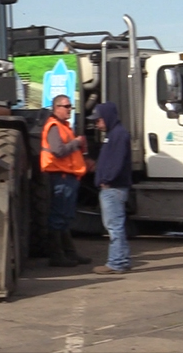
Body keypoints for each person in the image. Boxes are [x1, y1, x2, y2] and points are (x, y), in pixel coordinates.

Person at [40, 94, 91, 267]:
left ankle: (69, 253)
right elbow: (58, 151)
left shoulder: (64, 126)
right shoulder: (54, 126)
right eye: (66, 106)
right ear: (56, 108)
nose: (70, 109)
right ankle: (57, 256)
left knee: (65, 217)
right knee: (59, 217)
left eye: (70, 106)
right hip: (61, 177)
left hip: (68, 177)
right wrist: (76, 143)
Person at [89, 101, 133, 275]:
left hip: (113, 189)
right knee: (115, 226)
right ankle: (122, 259)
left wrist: (106, 180)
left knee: (114, 227)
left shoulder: (118, 135)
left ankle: (117, 262)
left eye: (98, 120)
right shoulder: (113, 134)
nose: (96, 124)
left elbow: (117, 162)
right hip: (112, 188)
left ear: (107, 117)